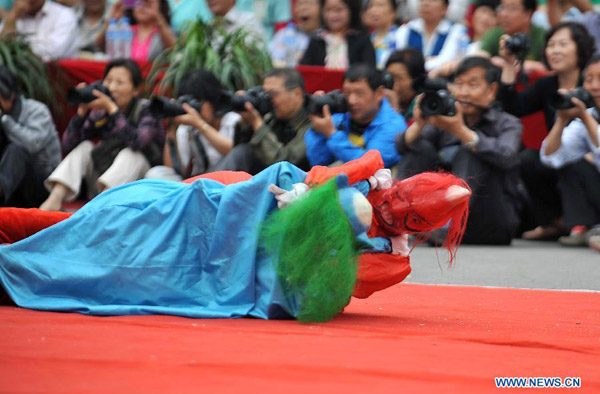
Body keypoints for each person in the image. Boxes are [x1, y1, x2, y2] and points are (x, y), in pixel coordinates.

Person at [0, 150, 471, 321]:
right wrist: (332, 188)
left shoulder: (393, 260)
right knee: (106, 222)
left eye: (411, 220)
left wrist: (328, 218)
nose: (395, 212)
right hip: (229, 199)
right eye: (402, 196)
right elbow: (322, 176)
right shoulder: (371, 177)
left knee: (111, 251)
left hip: (249, 264)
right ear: (402, 183)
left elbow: (332, 278)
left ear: (423, 232)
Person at [396, 56, 522, 244]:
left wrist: (462, 132)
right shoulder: (445, 119)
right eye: (459, 84)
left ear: (492, 90)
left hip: (491, 220)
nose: (463, 92)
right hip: (438, 224)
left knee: (469, 151)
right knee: (419, 147)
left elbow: (507, 157)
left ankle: (447, 225)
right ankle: (398, 218)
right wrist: (419, 124)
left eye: (472, 85)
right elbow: (402, 146)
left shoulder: (508, 123)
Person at [497, 21, 595, 240]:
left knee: (577, 161)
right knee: (528, 158)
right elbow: (512, 109)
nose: (555, 50)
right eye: (551, 45)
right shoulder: (547, 86)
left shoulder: (592, 84)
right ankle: (553, 222)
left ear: (580, 47)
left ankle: (583, 223)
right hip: (558, 157)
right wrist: (507, 63)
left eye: (562, 44)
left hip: (591, 161)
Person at [39, 59, 165, 212]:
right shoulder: (100, 112)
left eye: (119, 83)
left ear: (136, 89)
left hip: (139, 186)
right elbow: (67, 145)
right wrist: (81, 113)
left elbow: (137, 141)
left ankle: (101, 208)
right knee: (84, 147)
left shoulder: (148, 110)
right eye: (109, 81)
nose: (112, 88)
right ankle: (54, 200)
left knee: (131, 153)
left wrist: (112, 110)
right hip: (101, 183)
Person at [540, 54, 600, 248]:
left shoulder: (587, 117)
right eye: (589, 79)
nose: (594, 86)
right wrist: (561, 119)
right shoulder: (588, 116)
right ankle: (585, 226)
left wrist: (585, 117)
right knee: (573, 164)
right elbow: (551, 158)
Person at [212, 67, 312, 174]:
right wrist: (246, 122)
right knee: (242, 152)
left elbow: (285, 164)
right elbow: (239, 150)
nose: (268, 100)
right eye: (265, 93)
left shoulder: (314, 121)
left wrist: (257, 123)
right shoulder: (273, 117)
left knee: (243, 153)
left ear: (296, 93)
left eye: (273, 94)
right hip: (267, 182)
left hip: (297, 185)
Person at [146, 69, 241, 181]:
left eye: (199, 102)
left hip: (228, 180)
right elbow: (174, 169)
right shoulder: (188, 127)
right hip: (199, 182)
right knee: (156, 173)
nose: (195, 108)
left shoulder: (231, 120)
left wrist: (200, 125)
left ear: (213, 98)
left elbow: (235, 152)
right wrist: (172, 129)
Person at [305, 63, 406, 168]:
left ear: (379, 93)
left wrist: (332, 135)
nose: (351, 101)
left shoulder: (393, 126)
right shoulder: (341, 118)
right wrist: (318, 131)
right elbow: (318, 162)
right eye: (347, 93)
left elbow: (368, 166)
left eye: (359, 93)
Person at [0, 65, 60, 208]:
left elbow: (32, 144)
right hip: (14, 187)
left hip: (44, 180)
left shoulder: (37, 110)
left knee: (16, 150)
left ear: (9, 93)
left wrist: (4, 120)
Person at [394, 0, 469, 72]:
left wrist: (416, 63)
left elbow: (446, 59)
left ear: (445, 8)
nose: (426, 3)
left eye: (433, 0)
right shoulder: (405, 29)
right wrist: (429, 60)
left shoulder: (456, 31)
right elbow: (398, 59)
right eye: (422, 0)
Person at [299, 0, 376, 68]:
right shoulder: (317, 40)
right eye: (328, 10)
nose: (333, 16)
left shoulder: (361, 39)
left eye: (338, 10)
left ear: (351, 10)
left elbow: (369, 70)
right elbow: (305, 70)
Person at [96, 0, 176, 62]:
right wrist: (111, 19)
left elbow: (175, 50)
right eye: (139, 2)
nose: (142, 7)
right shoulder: (124, 29)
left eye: (148, 3)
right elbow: (99, 45)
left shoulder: (165, 32)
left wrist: (158, 17)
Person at [479, 0, 546, 73]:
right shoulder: (495, 33)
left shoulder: (542, 36)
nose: (503, 14)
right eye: (502, 7)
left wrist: (530, 66)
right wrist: (494, 61)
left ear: (528, 14)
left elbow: (550, 68)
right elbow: (480, 57)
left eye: (512, 8)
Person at [0, 0, 78, 61]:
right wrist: (13, 17)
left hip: (55, 77)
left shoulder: (64, 15)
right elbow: (2, 47)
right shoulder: (15, 14)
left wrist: (15, 51)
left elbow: (52, 53)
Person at [269, 0, 322, 67]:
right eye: (299, 4)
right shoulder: (284, 34)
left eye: (309, 3)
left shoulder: (326, 37)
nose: (303, 7)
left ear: (322, 9)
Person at [384, 48, 426, 122]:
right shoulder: (380, 97)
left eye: (399, 78)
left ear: (417, 80)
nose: (393, 83)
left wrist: (395, 108)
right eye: (389, 77)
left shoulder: (422, 107)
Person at [363, 0, 399, 69]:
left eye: (380, 5)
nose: (373, 10)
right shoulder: (367, 38)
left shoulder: (401, 36)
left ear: (393, 12)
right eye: (370, 6)